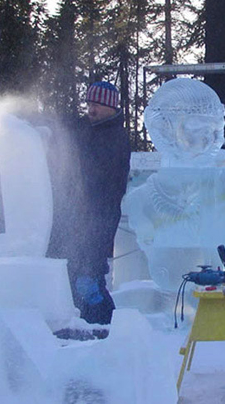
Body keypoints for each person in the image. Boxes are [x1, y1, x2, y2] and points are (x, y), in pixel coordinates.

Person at [47, 81, 131, 325]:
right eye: (89, 104)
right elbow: (60, 128)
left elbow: (101, 183)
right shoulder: (85, 127)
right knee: (68, 276)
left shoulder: (115, 139)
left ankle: (109, 327)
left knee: (89, 280)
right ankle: (81, 329)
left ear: (110, 107)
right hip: (71, 218)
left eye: (96, 105)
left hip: (98, 220)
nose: (91, 110)